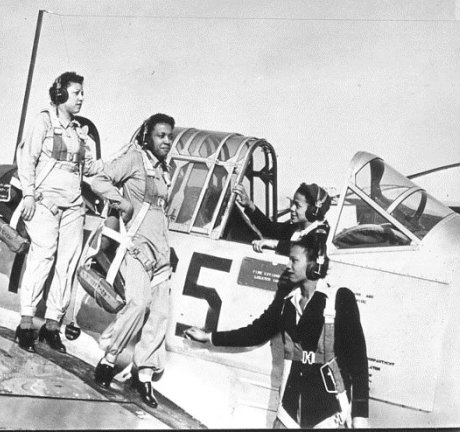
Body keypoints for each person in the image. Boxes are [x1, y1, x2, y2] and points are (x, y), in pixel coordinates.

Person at [185, 234, 369, 428]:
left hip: (330, 415)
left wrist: (360, 416)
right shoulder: (286, 303)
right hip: (288, 414)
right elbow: (255, 332)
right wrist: (210, 337)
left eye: (294, 260)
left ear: (314, 264)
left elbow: (358, 360)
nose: (288, 266)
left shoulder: (339, 299)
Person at [15, 71, 104, 353]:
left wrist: (112, 155)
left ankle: (52, 325)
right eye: (76, 92)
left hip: (73, 205)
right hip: (44, 201)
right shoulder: (43, 121)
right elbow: (26, 159)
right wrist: (29, 195)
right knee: (43, 256)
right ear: (60, 94)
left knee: (67, 263)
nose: (81, 98)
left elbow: (91, 169)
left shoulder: (79, 132)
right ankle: (26, 324)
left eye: (82, 93)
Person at [91, 113, 175, 408]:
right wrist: (121, 202)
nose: (166, 141)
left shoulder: (166, 170)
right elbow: (99, 179)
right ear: (148, 136)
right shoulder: (134, 159)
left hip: (161, 251)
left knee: (159, 315)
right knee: (138, 304)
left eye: (169, 136)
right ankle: (109, 358)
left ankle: (145, 376)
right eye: (161, 135)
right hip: (137, 246)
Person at [233, 182, 332, 253]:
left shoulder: (322, 232)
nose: (292, 208)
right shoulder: (297, 229)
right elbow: (268, 228)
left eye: (297, 205)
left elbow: (306, 248)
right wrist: (249, 205)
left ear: (312, 210)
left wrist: (274, 243)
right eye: (293, 204)